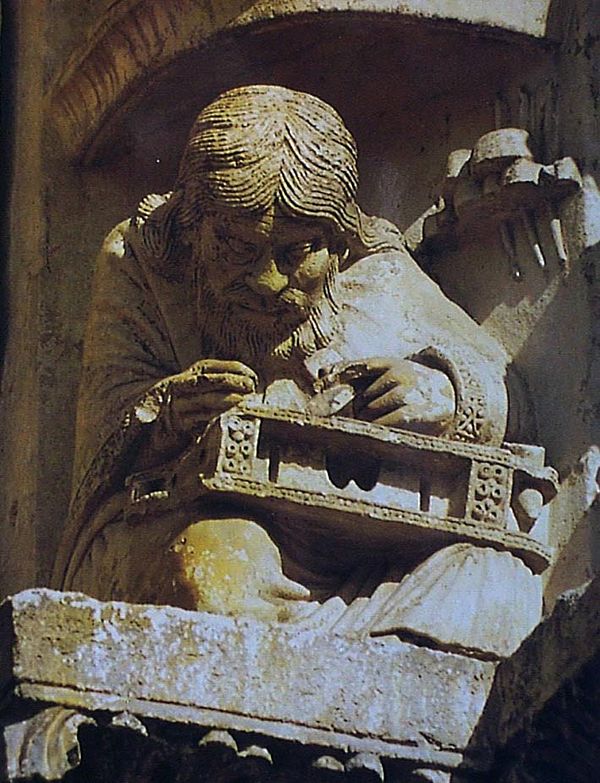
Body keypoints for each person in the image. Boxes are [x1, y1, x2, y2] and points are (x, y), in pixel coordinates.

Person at [53, 85, 522, 634]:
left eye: (295, 254)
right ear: (191, 223)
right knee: (211, 569)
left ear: (339, 241)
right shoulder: (143, 263)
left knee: (492, 581)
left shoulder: (375, 272)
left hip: (364, 549)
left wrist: (444, 392)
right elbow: (101, 445)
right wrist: (168, 412)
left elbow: (500, 383)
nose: (266, 282)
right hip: (188, 524)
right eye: (235, 248)